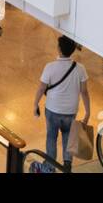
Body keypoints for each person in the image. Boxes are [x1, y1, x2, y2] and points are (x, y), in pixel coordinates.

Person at [33, 35, 91, 172]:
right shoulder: (80, 68)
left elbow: (41, 88)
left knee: (51, 137)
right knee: (67, 138)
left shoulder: (50, 67)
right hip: (71, 111)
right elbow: (84, 92)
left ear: (59, 49)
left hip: (52, 109)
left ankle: (50, 166)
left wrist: (35, 104)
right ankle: (67, 165)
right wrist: (88, 112)